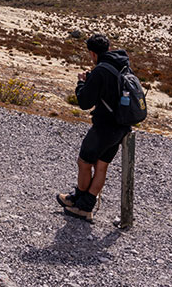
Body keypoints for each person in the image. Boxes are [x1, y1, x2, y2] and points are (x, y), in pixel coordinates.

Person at [57, 33, 132, 221]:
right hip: (121, 125)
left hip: (104, 126)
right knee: (101, 166)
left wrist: (82, 83)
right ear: (108, 48)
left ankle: (83, 205)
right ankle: (81, 202)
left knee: (84, 162)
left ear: (92, 53)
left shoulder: (100, 71)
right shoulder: (122, 64)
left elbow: (84, 102)